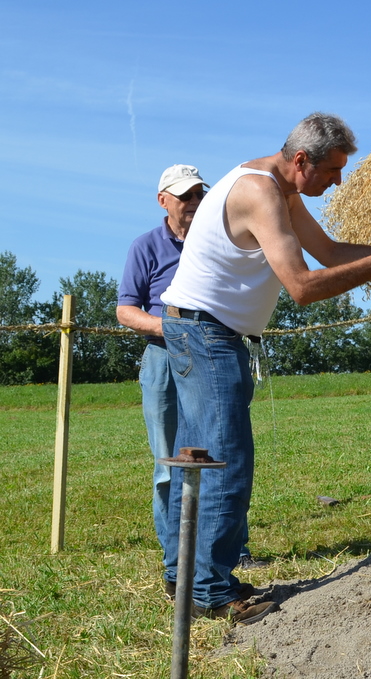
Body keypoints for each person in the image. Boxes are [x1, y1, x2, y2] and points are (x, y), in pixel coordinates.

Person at [160, 112, 371, 625]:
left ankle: (184, 576)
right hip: (206, 333)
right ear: (302, 160)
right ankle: (211, 592)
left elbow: (327, 251)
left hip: (202, 330)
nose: (338, 182)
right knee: (225, 460)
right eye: (333, 170)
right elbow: (303, 287)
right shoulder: (260, 193)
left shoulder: (281, 188)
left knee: (198, 456)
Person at [117, 165, 269, 605]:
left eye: (199, 193)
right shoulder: (146, 246)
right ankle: (175, 567)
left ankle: (229, 552)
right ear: (162, 199)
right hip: (166, 357)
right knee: (172, 463)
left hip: (214, 351)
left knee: (221, 448)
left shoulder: (214, 235)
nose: (193, 202)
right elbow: (126, 310)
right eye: (184, 196)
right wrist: (178, 331)